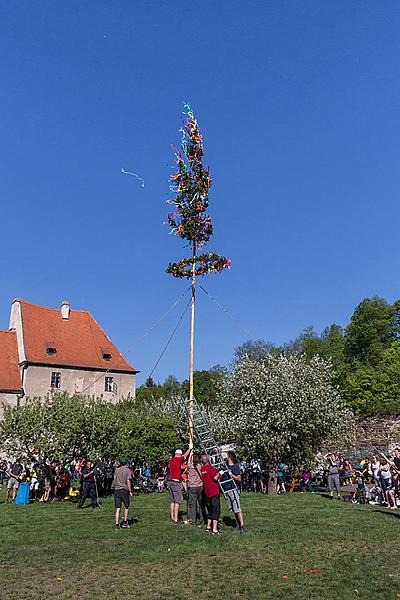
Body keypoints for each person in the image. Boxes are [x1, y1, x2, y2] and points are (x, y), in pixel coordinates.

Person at [167, 447, 192, 524]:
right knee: (177, 501)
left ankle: (172, 517)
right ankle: (175, 519)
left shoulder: (171, 460)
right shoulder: (178, 459)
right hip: (175, 482)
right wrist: (190, 449)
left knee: (172, 501)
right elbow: (185, 456)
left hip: (169, 482)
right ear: (179, 454)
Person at [200, 454, 222, 535]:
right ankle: (215, 529)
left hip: (207, 491)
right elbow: (215, 478)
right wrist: (220, 474)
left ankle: (208, 526)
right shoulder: (210, 467)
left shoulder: (202, 469)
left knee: (210, 509)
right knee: (216, 509)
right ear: (208, 459)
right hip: (214, 491)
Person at [224, 451, 245, 533]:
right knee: (233, 509)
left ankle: (242, 526)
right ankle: (238, 524)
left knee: (237, 508)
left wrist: (231, 475)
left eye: (226, 456)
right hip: (227, 489)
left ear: (230, 457)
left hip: (234, 489)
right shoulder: (225, 466)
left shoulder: (235, 467)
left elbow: (239, 479)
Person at [113, 457, 133, 529]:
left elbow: (114, 479)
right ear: (126, 462)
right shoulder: (127, 470)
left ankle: (117, 524)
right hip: (124, 490)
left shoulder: (116, 470)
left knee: (118, 508)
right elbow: (128, 481)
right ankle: (125, 522)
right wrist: (130, 491)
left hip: (117, 490)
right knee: (126, 506)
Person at [186, 453, 204, 525]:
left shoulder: (190, 466)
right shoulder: (200, 466)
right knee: (201, 503)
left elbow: (188, 462)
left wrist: (190, 454)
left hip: (192, 486)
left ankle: (193, 519)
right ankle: (202, 518)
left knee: (192, 503)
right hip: (200, 486)